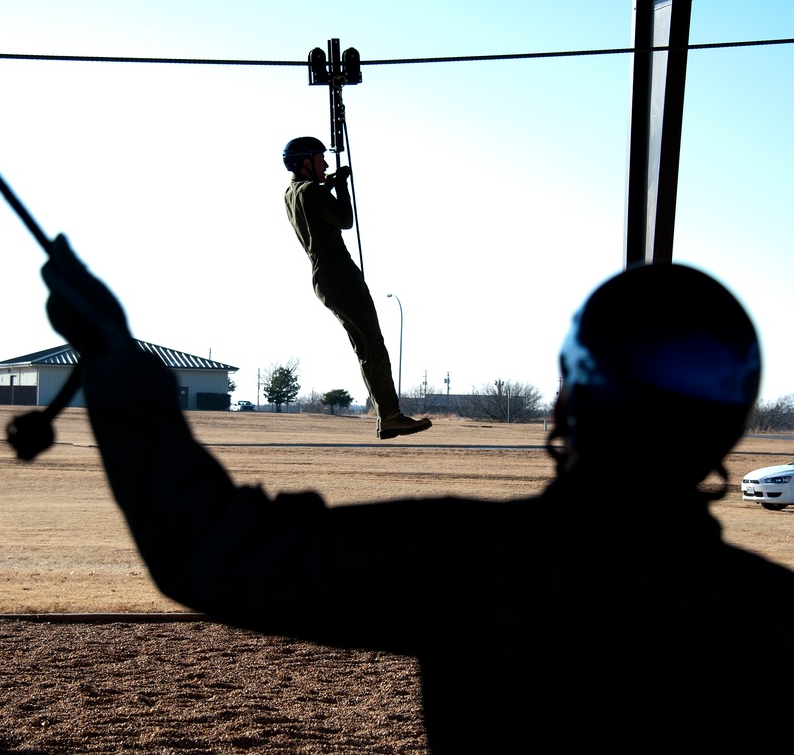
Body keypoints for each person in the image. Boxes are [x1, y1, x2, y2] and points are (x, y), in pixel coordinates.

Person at [42, 237, 794, 752]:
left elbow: (212, 550)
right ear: (727, 427)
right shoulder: (777, 620)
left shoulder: (470, 563)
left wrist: (116, 359)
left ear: (570, 405)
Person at [282, 136, 431, 439]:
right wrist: (341, 190)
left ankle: (387, 414)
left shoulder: (291, 193)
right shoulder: (312, 191)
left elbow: (314, 207)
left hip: (324, 277)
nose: (325, 163)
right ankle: (390, 415)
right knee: (373, 344)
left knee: (365, 346)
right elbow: (344, 220)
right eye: (320, 158)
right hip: (339, 272)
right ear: (305, 162)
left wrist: (329, 186)